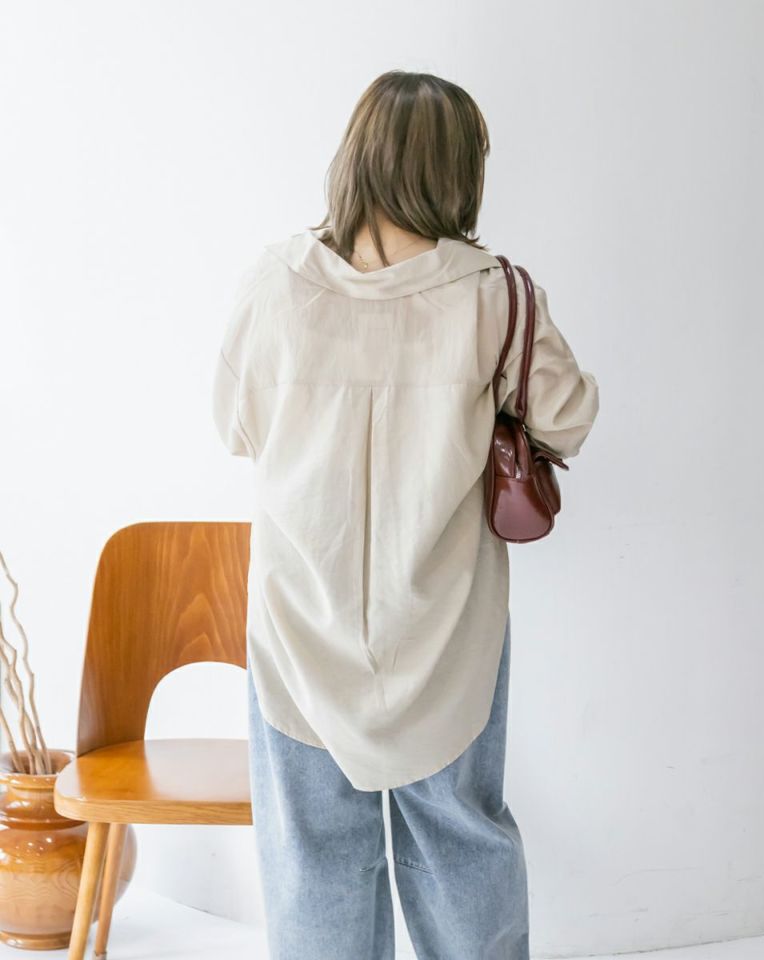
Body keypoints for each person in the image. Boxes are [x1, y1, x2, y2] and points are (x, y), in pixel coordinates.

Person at [212, 68, 599, 960]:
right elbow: (569, 416)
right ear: (458, 171)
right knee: (461, 842)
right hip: (447, 630)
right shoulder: (494, 295)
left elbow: (234, 425)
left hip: (299, 627)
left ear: (357, 156)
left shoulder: (276, 282)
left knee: (313, 858)